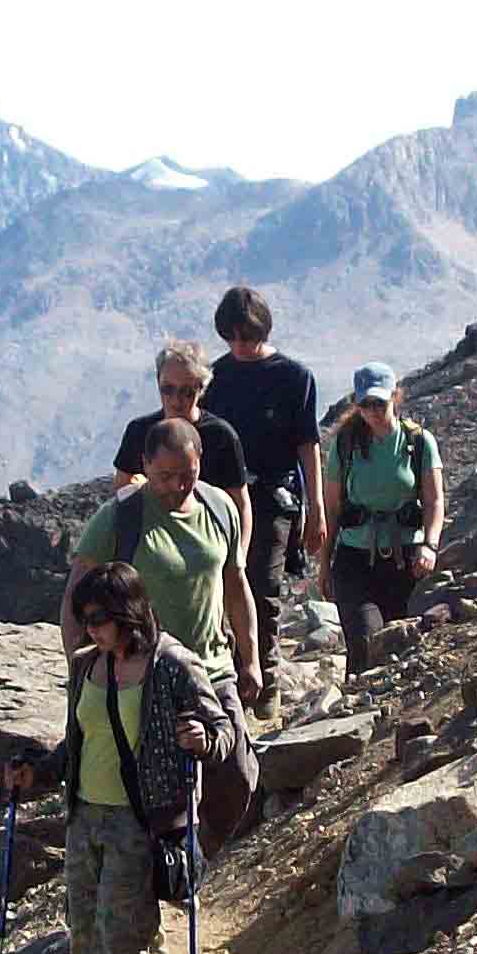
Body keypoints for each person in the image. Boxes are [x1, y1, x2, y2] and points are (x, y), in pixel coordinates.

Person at [6, 562, 235, 954]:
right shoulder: (87, 667)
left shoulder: (172, 665)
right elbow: (75, 745)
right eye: (83, 620)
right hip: (84, 820)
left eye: (97, 619)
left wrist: (203, 740)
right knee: (89, 932)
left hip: (140, 822)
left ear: (127, 614)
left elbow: (223, 729)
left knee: (122, 931)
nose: (89, 631)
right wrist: (35, 774)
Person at [64, 418, 258, 701]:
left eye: (188, 475)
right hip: (142, 682)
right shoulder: (118, 518)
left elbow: (237, 587)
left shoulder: (220, 508)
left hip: (215, 674)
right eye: (165, 476)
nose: (178, 486)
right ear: (145, 464)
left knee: (232, 745)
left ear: (199, 462)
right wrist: (81, 672)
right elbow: (75, 598)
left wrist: (251, 660)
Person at [199, 286, 320, 716]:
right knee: (215, 582)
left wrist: (317, 511)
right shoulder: (215, 379)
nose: (240, 347)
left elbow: (308, 446)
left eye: (246, 337)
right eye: (232, 338)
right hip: (218, 498)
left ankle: (266, 679)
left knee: (262, 585)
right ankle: (226, 677)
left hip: (273, 496)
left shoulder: (294, 378)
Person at [316, 364, 442, 675]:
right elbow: (332, 509)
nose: (372, 411)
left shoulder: (419, 442)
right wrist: (324, 566)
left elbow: (434, 500)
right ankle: (351, 713)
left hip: (405, 561)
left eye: (379, 403)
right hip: (354, 559)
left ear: (395, 398)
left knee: (398, 651)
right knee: (365, 642)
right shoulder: (345, 445)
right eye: (365, 404)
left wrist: (430, 545)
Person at [111, 339, 248, 505]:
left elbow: (240, 503)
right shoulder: (139, 432)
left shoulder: (221, 437)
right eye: (168, 389)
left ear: (201, 388)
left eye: (187, 392)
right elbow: (121, 490)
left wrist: (241, 532)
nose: (176, 401)